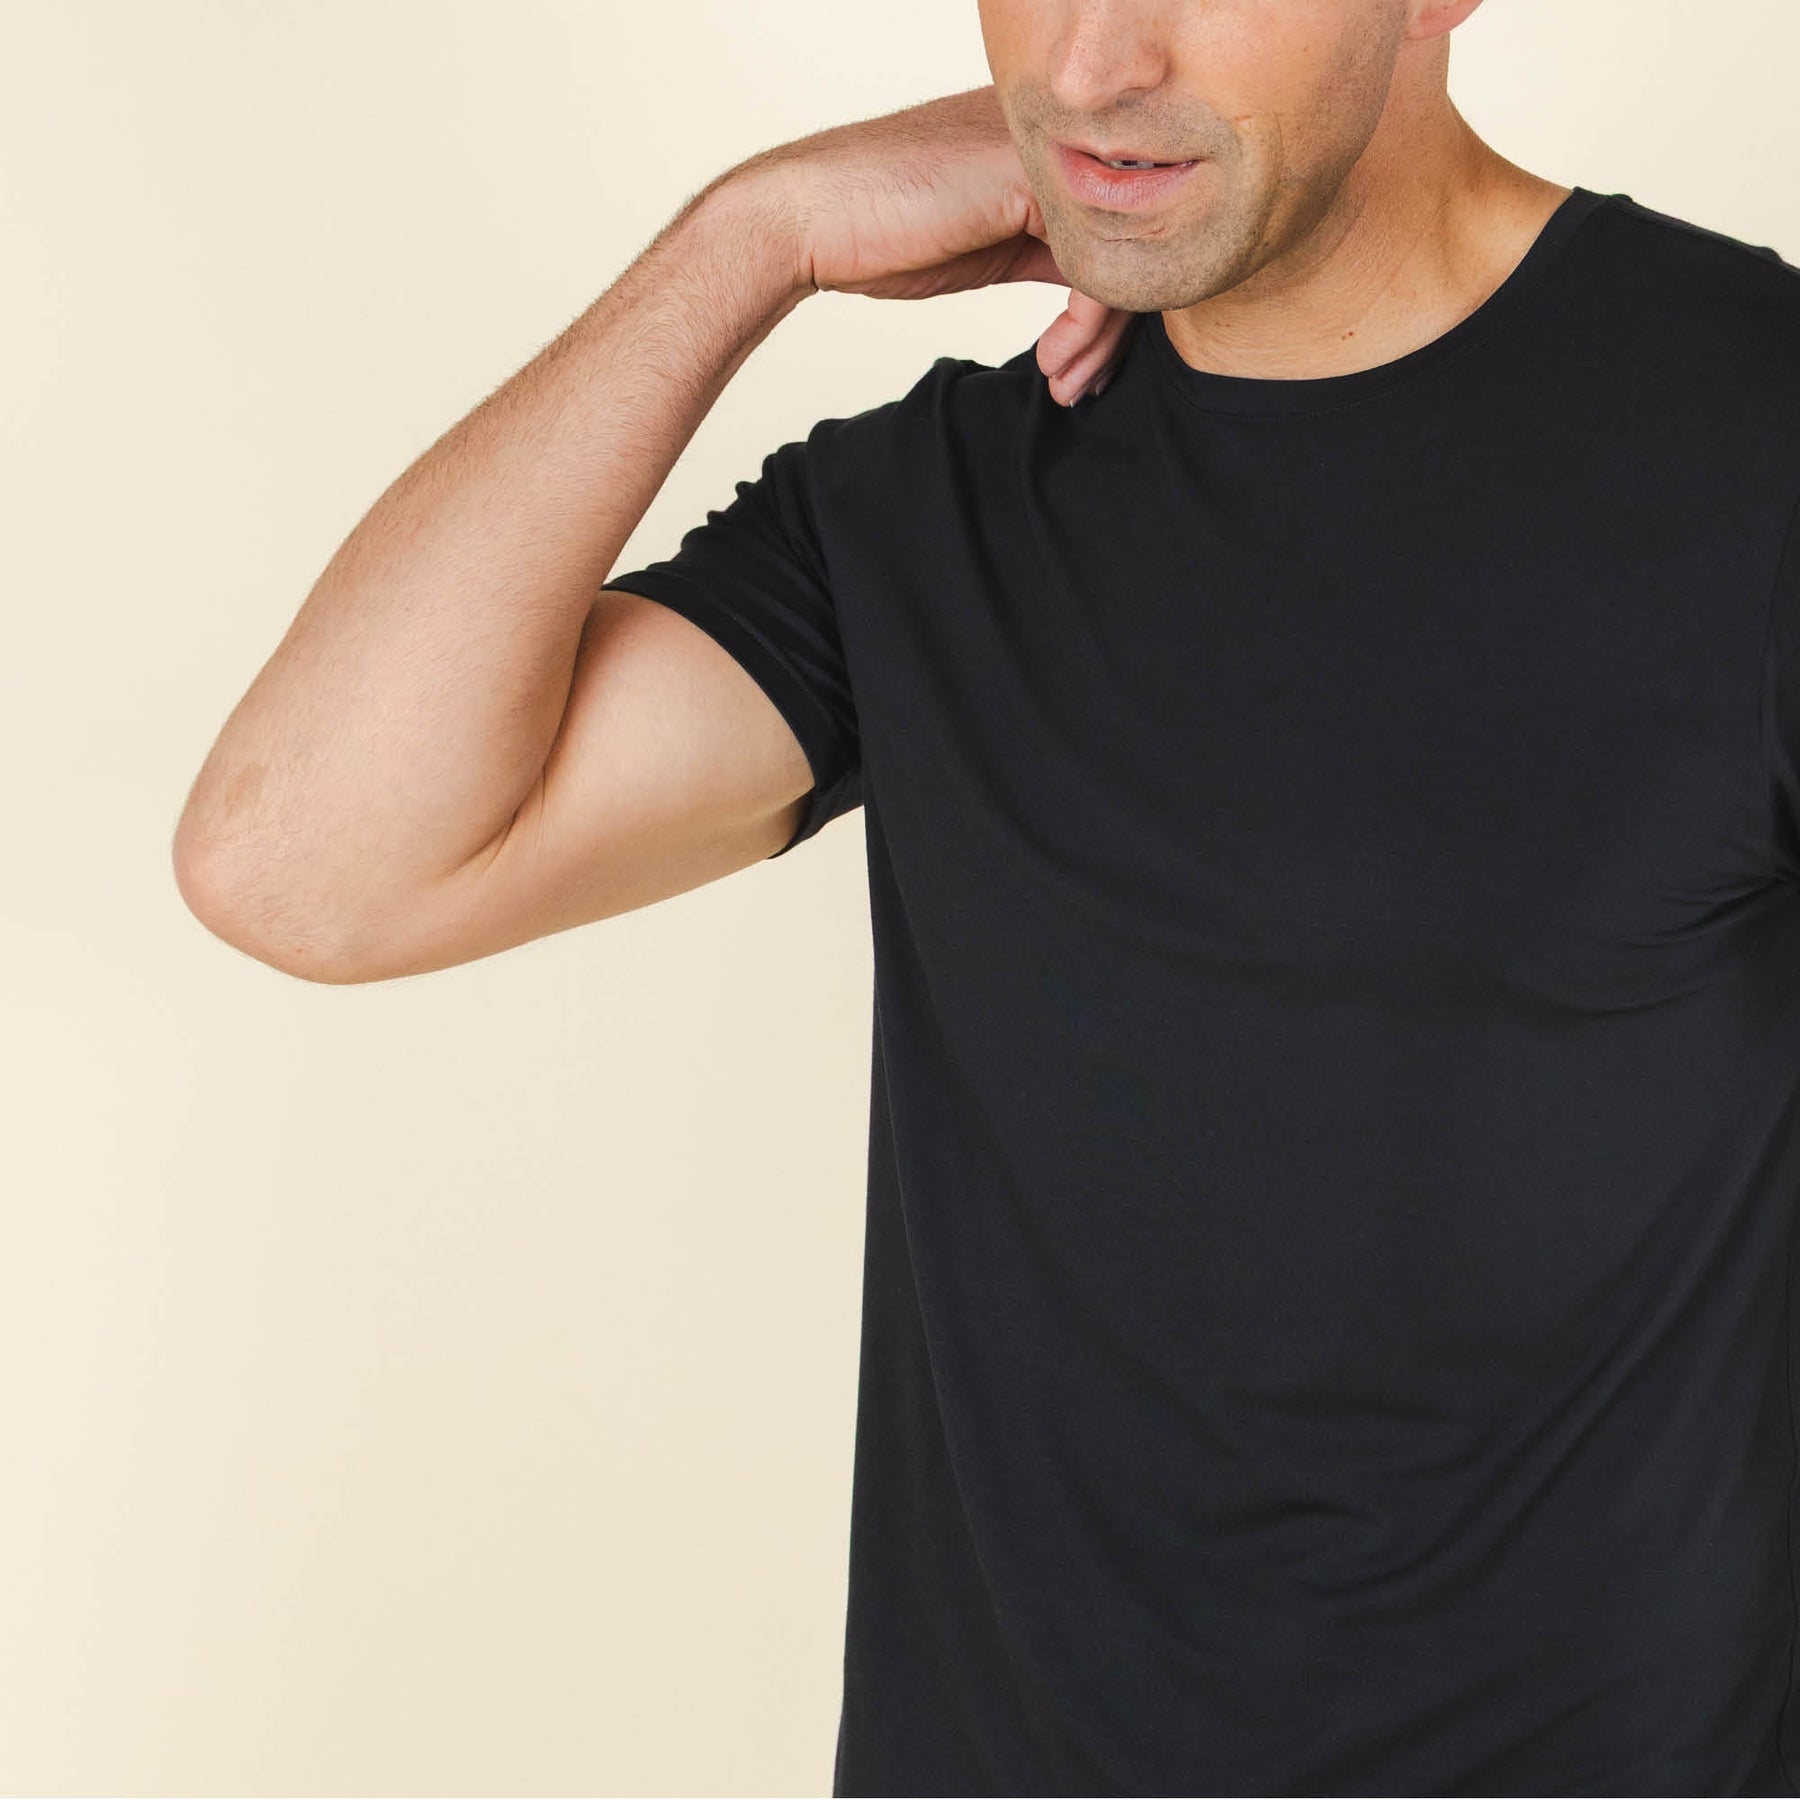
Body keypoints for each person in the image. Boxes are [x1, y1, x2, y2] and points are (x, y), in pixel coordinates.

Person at [172, 0, 1800, 1791]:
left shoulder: (1754, 433)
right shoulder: (935, 503)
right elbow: (305, 867)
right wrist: (751, 236)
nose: (1096, 65)